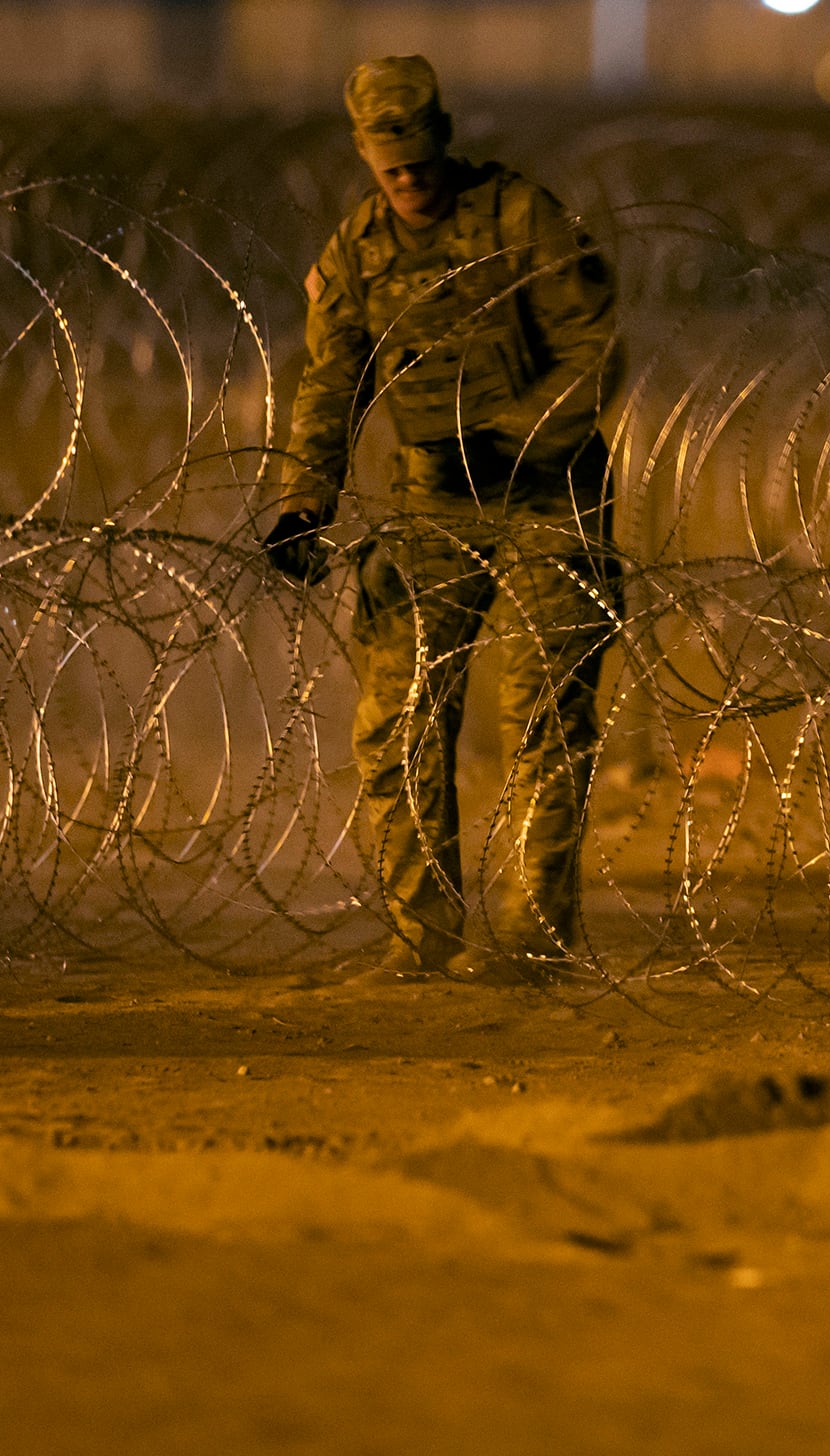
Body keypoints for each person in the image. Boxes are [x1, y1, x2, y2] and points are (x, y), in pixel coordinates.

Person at [262, 55, 625, 986]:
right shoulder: (356, 253)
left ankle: (538, 939)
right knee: (402, 712)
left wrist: (520, 432)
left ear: (444, 140)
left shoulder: (517, 217)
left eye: (420, 163)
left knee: (543, 713)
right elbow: (333, 379)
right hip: (436, 493)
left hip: (549, 488)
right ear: (368, 163)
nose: (411, 183)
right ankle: (421, 937)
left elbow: (592, 347)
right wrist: (309, 497)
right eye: (392, 171)